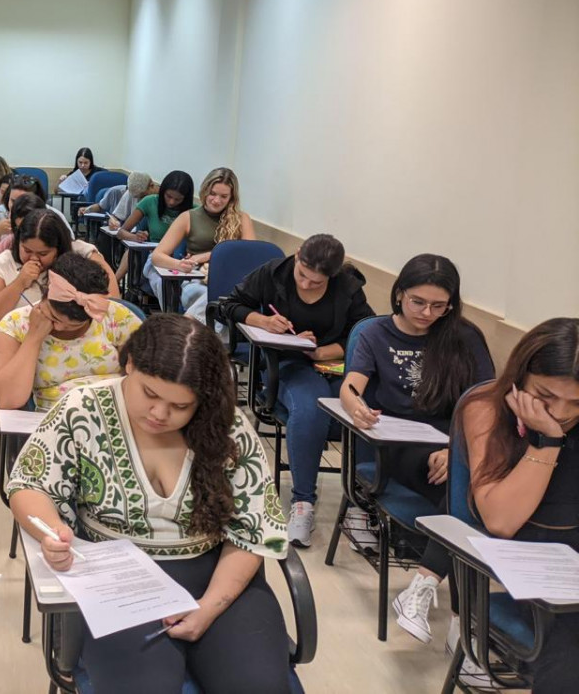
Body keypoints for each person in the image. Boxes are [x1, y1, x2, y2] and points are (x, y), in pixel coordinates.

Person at [8, 314, 290, 694]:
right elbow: (29, 484)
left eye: (180, 406)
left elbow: (252, 531)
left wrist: (209, 607)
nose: (159, 414)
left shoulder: (228, 427)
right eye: (150, 394)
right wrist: (53, 533)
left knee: (257, 686)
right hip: (118, 578)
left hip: (214, 572)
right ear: (129, 365)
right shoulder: (82, 409)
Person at [340, 255, 494, 643]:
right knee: (469, 501)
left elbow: (486, 402)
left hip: (454, 442)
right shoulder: (376, 334)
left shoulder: (465, 336)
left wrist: (457, 448)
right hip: (400, 442)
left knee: (472, 498)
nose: (428, 313)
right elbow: (351, 385)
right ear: (399, 294)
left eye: (439, 306)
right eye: (418, 302)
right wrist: (354, 403)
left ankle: (425, 587)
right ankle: (462, 633)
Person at [221, 234, 375, 546]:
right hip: (288, 365)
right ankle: (303, 502)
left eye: (316, 282)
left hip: (333, 366)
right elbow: (230, 305)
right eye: (302, 274)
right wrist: (263, 321)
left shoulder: (348, 288)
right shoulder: (273, 273)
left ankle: (360, 503)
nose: (305, 284)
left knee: (366, 411)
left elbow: (366, 334)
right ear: (299, 253)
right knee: (311, 409)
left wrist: (327, 349)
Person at [461, 317, 579, 694]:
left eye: (576, 402)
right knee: (570, 651)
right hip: (529, 564)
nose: (560, 411)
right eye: (545, 396)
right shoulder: (485, 409)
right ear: (521, 377)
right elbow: (501, 520)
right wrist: (547, 441)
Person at [0, 252, 142, 412]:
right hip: (55, 420)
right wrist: (33, 337)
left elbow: (149, 376)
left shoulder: (114, 315)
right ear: (45, 293)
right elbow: (7, 399)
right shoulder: (16, 323)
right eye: (54, 317)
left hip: (117, 412)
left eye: (72, 326)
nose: (59, 328)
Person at [0, 208, 117, 330]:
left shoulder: (83, 254)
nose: (34, 258)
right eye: (27, 250)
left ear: (59, 248)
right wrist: (20, 282)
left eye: (43, 254)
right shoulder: (6, 262)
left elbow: (113, 302)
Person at [147, 167, 256, 315]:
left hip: (230, 281)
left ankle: (185, 331)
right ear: (205, 191)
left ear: (232, 197)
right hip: (197, 280)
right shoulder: (188, 217)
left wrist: (206, 256)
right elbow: (157, 256)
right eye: (212, 194)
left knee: (226, 301)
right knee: (214, 301)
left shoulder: (242, 219)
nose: (217, 201)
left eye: (224, 196)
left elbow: (249, 257)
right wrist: (179, 264)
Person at [0, 172, 67, 264]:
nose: (17, 206)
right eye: (13, 201)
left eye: (24, 201)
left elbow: (67, 254)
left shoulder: (53, 217)